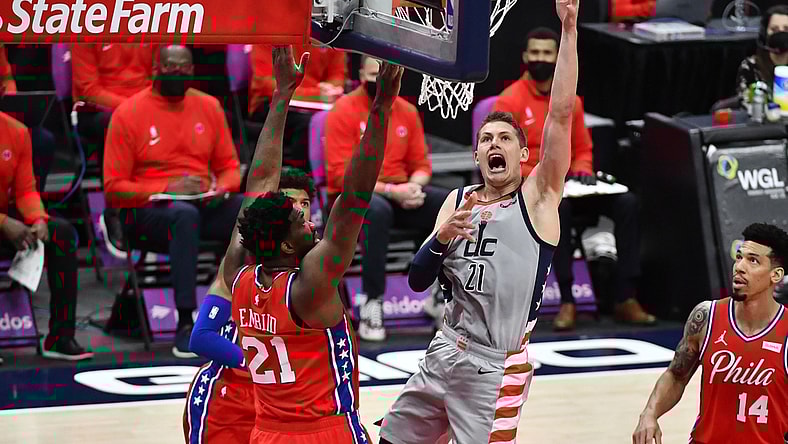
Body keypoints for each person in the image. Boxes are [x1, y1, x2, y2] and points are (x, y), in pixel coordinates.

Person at [379, 1, 578, 442]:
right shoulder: (457, 200)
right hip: (444, 350)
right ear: (476, 155)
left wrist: (569, 27)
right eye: (486, 139)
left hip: (495, 366)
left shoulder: (538, 198)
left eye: (505, 138)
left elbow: (561, 113)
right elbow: (417, 280)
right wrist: (439, 239)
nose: (494, 144)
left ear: (522, 154)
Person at [215, 45, 401, 443]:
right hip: (324, 432)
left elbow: (260, 181)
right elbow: (354, 199)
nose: (310, 221)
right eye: (300, 222)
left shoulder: (239, 273)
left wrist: (282, 94)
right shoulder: (309, 286)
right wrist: (382, 107)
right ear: (286, 247)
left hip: (266, 433)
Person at [494, 26, 655, 330]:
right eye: (535, 52)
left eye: (547, 53)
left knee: (628, 203)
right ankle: (568, 300)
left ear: (557, 58)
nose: (541, 59)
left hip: (572, 187)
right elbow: (507, 160)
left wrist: (582, 171)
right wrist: (544, 179)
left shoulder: (572, 102)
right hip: (535, 190)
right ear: (525, 57)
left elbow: (582, 148)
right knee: (560, 210)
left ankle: (625, 297)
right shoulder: (509, 101)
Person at [103, 45, 242, 358]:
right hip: (145, 212)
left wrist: (220, 188)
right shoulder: (128, 113)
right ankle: (186, 322)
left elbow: (230, 168)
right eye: (170, 66)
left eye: (183, 67)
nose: (177, 72)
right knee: (183, 216)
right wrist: (166, 187)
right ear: (156, 68)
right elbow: (113, 188)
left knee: (248, 210)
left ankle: (249, 311)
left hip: (202, 203)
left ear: (192, 70)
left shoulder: (208, 106)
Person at [183, 167, 314, 444]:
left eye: (305, 203)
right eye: (291, 203)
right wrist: (262, 364)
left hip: (286, 401)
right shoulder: (243, 266)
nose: (300, 210)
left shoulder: (316, 265)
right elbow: (201, 337)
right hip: (230, 396)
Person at [325, 55, 449, 341]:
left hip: (400, 192)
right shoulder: (343, 110)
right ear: (360, 76)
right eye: (373, 75)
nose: (379, 80)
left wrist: (413, 187)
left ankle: (438, 293)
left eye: (384, 75)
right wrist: (393, 191)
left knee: (446, 204)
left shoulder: (407, 111)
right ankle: (372, 301)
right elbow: (340, 175)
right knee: (378, 211)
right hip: (355, 195)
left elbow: (422, 165)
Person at [633, 223, 788, 444]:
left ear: (776, 275)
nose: (739, 267)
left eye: (753, 261)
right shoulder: (707, 316)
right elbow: (676, 375)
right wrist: (649, 414)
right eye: (739, 257)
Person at [0, 89, 93, 361]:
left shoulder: (16, 132)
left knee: (60, 233)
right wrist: (3, 222)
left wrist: (38, 218)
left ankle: (60, 337)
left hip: (6, 220)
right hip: (3, 221)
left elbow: (26, 190)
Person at [248, 43, 346, 172]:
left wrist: (330, 90)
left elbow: (337, 75)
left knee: (341, 117)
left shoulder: (332, 37)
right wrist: (317, 94)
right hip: (269, 102)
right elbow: (266, 85)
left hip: (318, 104)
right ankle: (300, 177)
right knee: (308, 123)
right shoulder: (270, 37)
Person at [736, 6, 788, 103]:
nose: (780, 33)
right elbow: (745, 102)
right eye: (774, 29)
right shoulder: (750, 66)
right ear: (765, 34)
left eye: (786, 29)